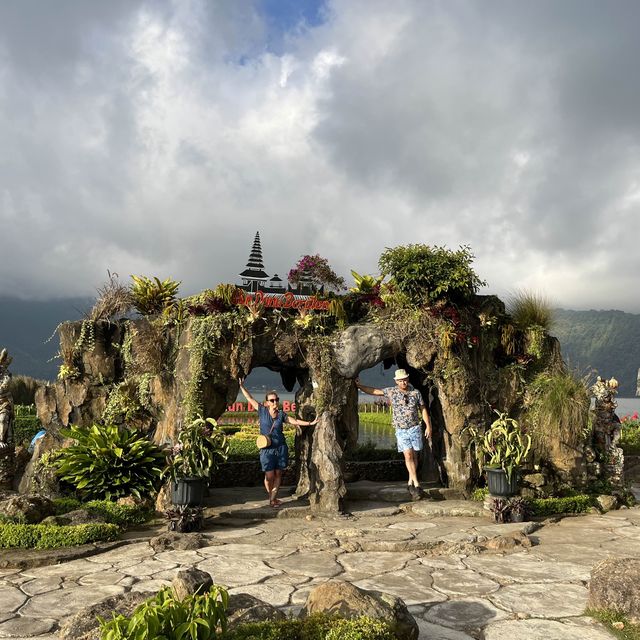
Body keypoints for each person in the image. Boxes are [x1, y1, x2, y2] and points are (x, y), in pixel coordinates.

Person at [238, 379, 317, 508]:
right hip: (267, 449)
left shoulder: (281, 415)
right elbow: (249, 398)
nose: (275, 402)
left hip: (280, 447)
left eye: (276, 399)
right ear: (267, 403)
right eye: (272, 400)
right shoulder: (262, 411)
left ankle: (273, 499)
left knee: (278, 474)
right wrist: (241, 386)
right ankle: (271, 497)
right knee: (269, 476)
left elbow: (295, 421)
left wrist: (310, 423)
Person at [355, 369, 432, 500]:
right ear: (396, 381)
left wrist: (428, 426)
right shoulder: (392, 391)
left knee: (414, 455)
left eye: (405, 379)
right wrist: (360, 386)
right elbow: (375, 391)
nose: (404, 382)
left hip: (414, 427)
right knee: (408, 455)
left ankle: (410, 482)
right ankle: (417, 485)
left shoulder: (415, 393)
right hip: (401, 429)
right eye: (401, 380)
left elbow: (423, 408)